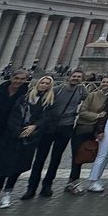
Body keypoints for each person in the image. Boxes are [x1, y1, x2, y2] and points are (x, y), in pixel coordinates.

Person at [0, 75, 52, 209]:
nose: (44, 85)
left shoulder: (48, 101)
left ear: (50, 86)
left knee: (17, 167)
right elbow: (14, 115)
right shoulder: (24, 97)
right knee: (3, 165)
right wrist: (17, 131)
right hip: (12, 136)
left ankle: (8, 193)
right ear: (38, 83)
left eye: (47, 83)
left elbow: (45, 118)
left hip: (30, 139)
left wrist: (34, 127)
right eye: (42, 82)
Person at [22, 69, 86, 200]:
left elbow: (90, 101)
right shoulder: (57, 89)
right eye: (74, 76)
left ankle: (47, 185)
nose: (76, 78)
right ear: (69, 77)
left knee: (56, 159)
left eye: (79, 77)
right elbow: (42, 104)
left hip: (66, 127)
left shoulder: (82, 90)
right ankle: (31, 188)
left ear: (82, 79)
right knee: (40, 158)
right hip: (49, 127)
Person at [65, 75, 108, 195]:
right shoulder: (92, 95)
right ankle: (73, 182)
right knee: (77, 156)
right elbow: (82, 111)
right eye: (104, 82)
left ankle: (92, 180)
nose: (105, 84)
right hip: (83, 128)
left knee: (89, 154)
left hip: (96, 130)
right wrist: (97, 116)